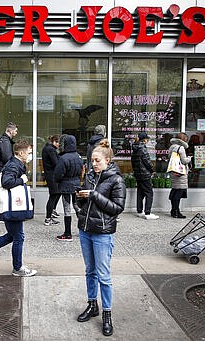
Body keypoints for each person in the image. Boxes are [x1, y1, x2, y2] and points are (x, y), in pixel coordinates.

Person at [76, 139, 126, 337]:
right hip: (85, 229)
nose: (93, 164)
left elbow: (117, 208)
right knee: (90, 271)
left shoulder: (116, 180)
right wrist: (79, 201)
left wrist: (95, 196)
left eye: (97, 161)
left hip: (103, 233)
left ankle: (107, 314)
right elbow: (84, 202)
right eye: (91, 160)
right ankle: (92, 305)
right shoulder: (89, 176)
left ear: (107, 160)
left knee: (103, 275)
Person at [0, 139, 37, 277]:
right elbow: (7, 182)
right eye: (29, 152)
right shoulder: (13, 165)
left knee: (13, 236)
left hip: (11, 207)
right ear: (21, 152)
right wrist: (22, 180)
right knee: (19, 237)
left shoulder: (14, 163)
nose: (30, 155)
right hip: (13, 207)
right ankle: (18, 268)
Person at [54, 134, 83, 241]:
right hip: (76, 185)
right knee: (77, 207)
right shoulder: (78, 156)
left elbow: (58, 174)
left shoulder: (64, 158)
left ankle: (67, 234)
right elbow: (81, 170)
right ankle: (84, 230)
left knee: (67, 209)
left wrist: (58, 181)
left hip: (66, 185)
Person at [0, 122, 18, 222]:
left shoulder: (5, 140)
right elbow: (7, 158)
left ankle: (1, 214)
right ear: (10, 131)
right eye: (15, 131)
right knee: (3, 193)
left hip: (1, 170)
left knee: (2, 193)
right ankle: (1, 215)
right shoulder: (5, 141)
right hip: (2, 171)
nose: (16, 133)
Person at [131, 131, 158, 220]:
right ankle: (147, 212)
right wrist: (152, 170)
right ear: (144, 140)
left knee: (140, 192)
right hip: (145, 174)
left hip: (138, 174)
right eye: (147, 139)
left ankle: (139, 211)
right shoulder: (142, 148)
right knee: (149, 193)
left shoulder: (135, 148)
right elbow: (147, 161)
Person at [168, 132, 191, 218]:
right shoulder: (180, 148)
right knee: (179, 192)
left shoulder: (172, 147)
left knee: (174, 190)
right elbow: (184, 161)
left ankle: (173, 210)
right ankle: (176, 211)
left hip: (174, 171)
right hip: (180, 173)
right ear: (184, 139)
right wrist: (189, 158)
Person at [42, 134, 61, 226]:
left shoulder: (48, 148)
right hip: (52, 175)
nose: (59, 145)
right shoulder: (51, 149)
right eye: (58, 143)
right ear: (54, 142)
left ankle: (51, 213)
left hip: (50, 175)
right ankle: (48, 218)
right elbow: (56, 163)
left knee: (56, 194)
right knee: (53, 195)